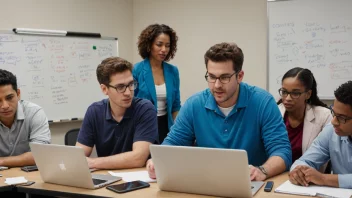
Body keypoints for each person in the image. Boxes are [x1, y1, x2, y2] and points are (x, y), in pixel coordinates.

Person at [147, 42, 292, 181]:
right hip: (206, 184)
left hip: (251, 184)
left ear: (239, 76)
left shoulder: (263, 102)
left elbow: (282, 152)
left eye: (224, 78)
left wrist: (262, 171)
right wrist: (157, 161)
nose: (217, 85)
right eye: (211, 77)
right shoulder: (194, 104)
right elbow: (172, 144)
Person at [76, 57, 158, 170]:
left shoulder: (145, 109)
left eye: (131, 84)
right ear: (104, 89)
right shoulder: (94, 111)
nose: (128, 92)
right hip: (106, 178)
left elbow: (138, 158)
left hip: (139, 180)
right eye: (120, 87)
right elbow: (78, 156)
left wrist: (93, 162)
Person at [289, 81, 352, 189]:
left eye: (342, 117)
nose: (333, 122)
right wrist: (298, 171)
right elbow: (305, 160)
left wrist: (323, 179)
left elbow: (322, 179)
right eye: (333, 113)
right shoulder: (331, 131)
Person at [133, 24, 181, 143]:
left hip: (166, 126)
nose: (164, 49)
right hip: (143, 126)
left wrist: (179, 129)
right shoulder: (137, 70)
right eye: (159, 44)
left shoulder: (173, 71)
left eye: (167, 45)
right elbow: (130, 103)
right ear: (149, 45)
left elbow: (175, 106)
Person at [277, 67, 332, 163]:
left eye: (295, 93)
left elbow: (323, 156)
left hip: (307, 174)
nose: (288, 98)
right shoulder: (275, 111)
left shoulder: (324, 116)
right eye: (284, 92)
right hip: (278, 173)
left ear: (308, 94)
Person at [0, 69, 50, 167]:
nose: (5, 106)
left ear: (18, 94)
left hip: (29, 177)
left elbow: (41, 154)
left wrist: (2, 161)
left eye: (9, 98)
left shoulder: (34, 112)